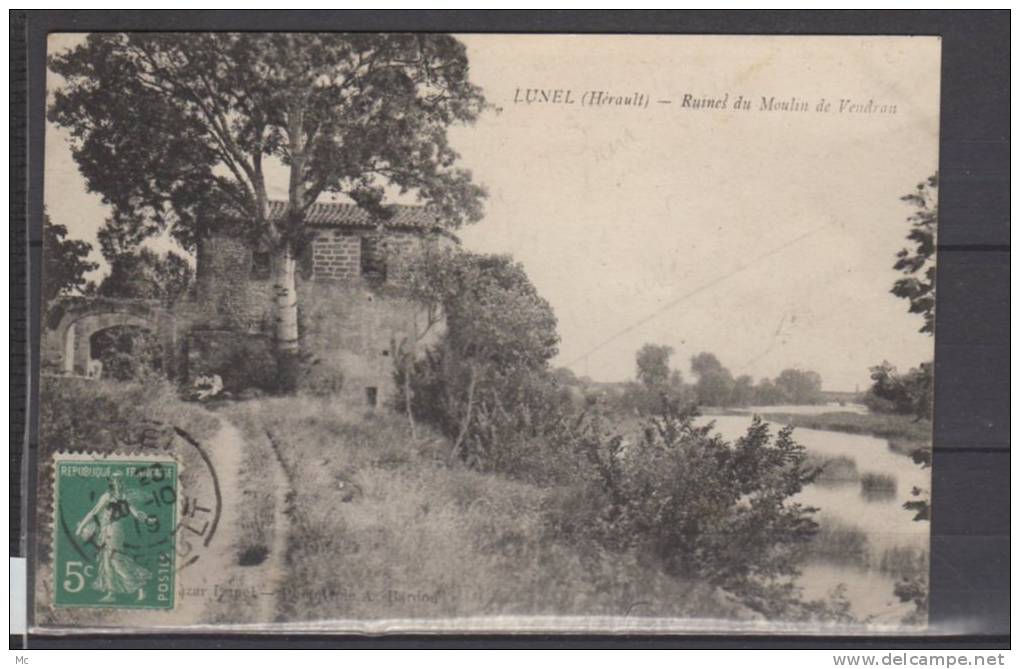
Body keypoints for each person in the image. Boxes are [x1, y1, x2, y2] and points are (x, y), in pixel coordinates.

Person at [74, 472, 152, 602]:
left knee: (115, 559)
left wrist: (144, 518)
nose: (119, 482)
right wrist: (81, 526)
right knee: (107, 560)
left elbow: (135, 512)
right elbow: (94, 512)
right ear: (111, 482)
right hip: (107, 530)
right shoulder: (107, 496)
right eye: (116, 480)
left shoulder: (124, 496)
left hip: (114, 530)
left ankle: (140, 586)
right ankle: (111, 593)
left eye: (120, 480)